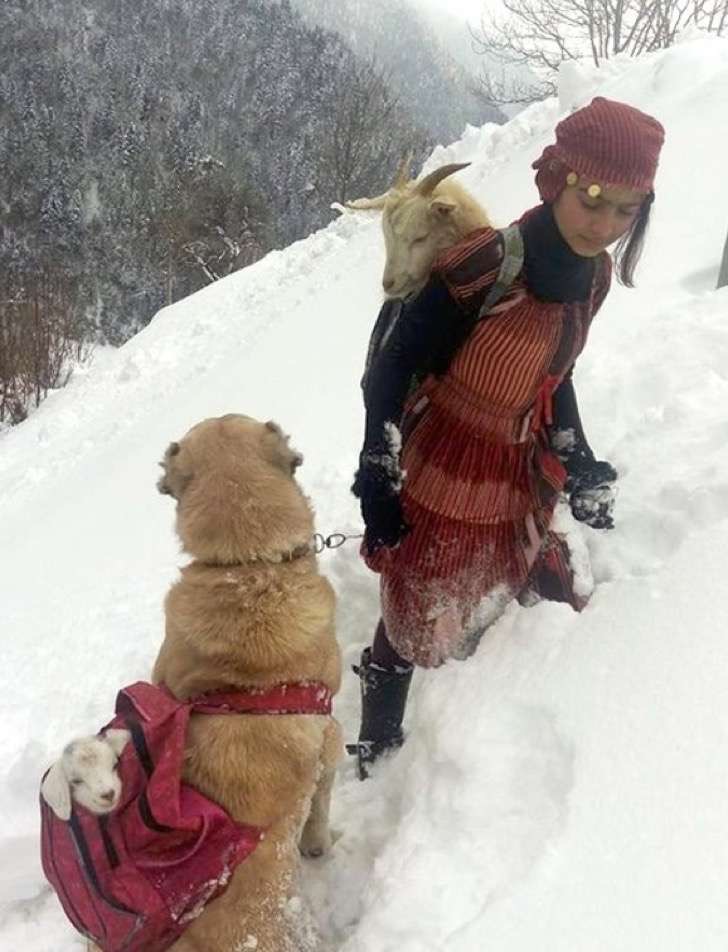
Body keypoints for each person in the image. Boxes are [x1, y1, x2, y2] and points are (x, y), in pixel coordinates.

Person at [349, 97, 665, 778]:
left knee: (503, 561)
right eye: (591, 198)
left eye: (625, 208)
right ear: (557, 180)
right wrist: (377, 470)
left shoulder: (595, 277)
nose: (604, 223)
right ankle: (378, 731)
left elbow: (558, 373)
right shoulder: (485, 265)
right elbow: (392, 367)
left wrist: (577, 460)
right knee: (417, 599)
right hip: (446, 455)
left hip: (516, 458)